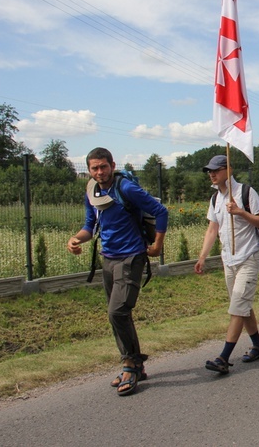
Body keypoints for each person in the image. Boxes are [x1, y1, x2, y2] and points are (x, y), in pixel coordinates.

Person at [66, 147, 168, 396]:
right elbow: (90, 225)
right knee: (119, 315)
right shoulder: (92, 191)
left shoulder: (127, 188)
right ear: (89, 170)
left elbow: (160, 211)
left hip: (131, 256)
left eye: (103, 166)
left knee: (118, 311)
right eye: (94, 168)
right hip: (108, 259)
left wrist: (157, 245)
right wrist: (76, 239)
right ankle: (135, 365)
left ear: (112, 165)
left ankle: (130, 365)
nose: (99, 172)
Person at [194, 155, 259, 375]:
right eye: (209, 171)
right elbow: (212, 229)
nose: (211, 174)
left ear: (229, 170)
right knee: (242, 305)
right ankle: (257, 346)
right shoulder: (215, 198)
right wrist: (202, 257)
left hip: (249, 257)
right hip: (229, 260)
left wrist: (240, 212)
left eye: (215, 170)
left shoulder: (246, 192)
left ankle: (223, 358)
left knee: (238, 306)